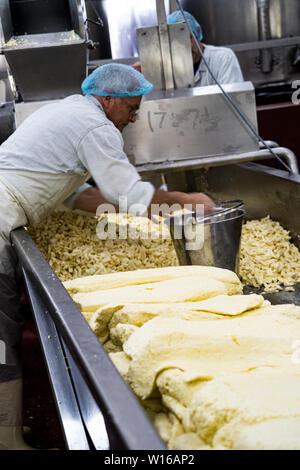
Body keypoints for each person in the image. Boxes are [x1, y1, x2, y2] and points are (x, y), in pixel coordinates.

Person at [0, 63, 215, 449]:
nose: (133, 117)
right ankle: (7, 439)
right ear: (108, 99)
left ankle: (6, 429)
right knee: (2, 331)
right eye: (131, 108)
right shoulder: (96, 127)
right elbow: (130, 194)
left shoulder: (68, 110)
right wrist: (186, 201)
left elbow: (74, 194)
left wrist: (116, 211)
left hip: (6, 213)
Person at [133, 10, 244, 87]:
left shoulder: (223, 58)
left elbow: (233, 100)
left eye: (188, 38)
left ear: (197, 35)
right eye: (176, 42)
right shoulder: (166, 68)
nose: (185, 47)